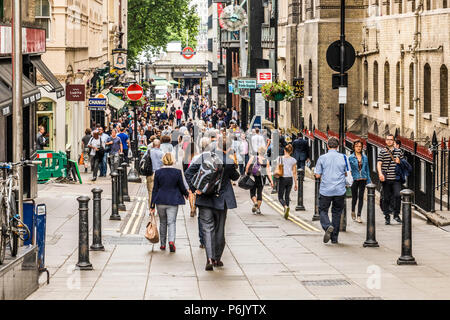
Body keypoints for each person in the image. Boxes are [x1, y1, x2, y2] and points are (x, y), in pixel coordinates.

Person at [184, 136, 240, 271]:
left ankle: (209, 258)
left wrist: (195, 189)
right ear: (230, 147)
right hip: (222, 199)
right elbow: (236, 177)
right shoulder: (229, 161)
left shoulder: (205, 156)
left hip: (205, 198)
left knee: (207, 228)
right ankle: (217, 258)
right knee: (220, 229)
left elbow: (188, 172)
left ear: (217, 145)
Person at [150, 153, 189, 252]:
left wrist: (152, 205)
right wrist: (186, 194)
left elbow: (154, 189)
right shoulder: (177, 172)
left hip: (160, 201)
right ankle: (171, 242)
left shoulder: (158, 172)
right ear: (172, 160)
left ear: (163, 160)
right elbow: (181, 186)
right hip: (173, 200)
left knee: (163, 222)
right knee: (171, 222)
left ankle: (162, 244)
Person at [314, 137, 348, 244]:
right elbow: (347, 173)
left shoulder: (322, 158)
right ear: (337, 146)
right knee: (337, 213)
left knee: (323, 210)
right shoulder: (344, 157)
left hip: (326, 190)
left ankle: (327, 226)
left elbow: (317, 175)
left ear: (327, 146)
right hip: (339, 190)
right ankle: (334, 238)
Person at [377, 133, 403, 225]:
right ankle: (387, 216)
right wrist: (380, 174)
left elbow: (403, 164)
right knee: (386, 198)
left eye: (391, 140)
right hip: (386, 178)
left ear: (393, 141)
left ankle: (396, 214)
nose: (389, 141)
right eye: (387, 139)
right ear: (385, 141)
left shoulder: (399, 151)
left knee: (398, 196)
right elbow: (379, 163)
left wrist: (399, 161)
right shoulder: (382, 151)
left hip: (396, 178)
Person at [246, 146, 274, 214]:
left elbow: (247, 167)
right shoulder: (266, 161)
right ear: (264, 153)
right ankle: (258, 209)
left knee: (252, 193)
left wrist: (247, 174)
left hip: (253, 178)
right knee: (259, 193)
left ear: (258, 151)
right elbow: (268, 172)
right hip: (261, 179)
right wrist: (271, 181)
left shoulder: (253, 158)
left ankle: (255, 202)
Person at [348, 140, 371, 223]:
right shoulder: (350, 157)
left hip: (363, 179)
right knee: (355, 197)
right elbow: (348, 170)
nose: (358, 148)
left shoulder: (365, 157)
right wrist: (348, 180)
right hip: (355, 179)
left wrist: (369, 181)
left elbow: (367, 169)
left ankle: (359, 215)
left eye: (360, 146)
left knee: (361, 197)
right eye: (357, 146)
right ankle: (353, 210)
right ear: (354, 147)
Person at [276, 144, 298, 219]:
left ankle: (285, 207)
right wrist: (296, 183)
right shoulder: (293, 160)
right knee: (287, 196)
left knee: (280, 197)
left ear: (284, 150)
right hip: (290, 179)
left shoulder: (279, 158)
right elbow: (294, 172)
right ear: (291, 151)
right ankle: (286, 213)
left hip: (282, 178)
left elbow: (277, 169)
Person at [144, 139, 164, 209]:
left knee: (150, 192)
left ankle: (151, 209)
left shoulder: (148, 152)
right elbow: (164, 164)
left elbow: (143, 160)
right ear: (159, 145)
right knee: (160, 192)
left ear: (153, 145)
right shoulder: (162, 153)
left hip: (150, 174)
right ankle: (159, 209)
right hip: (160, 174)